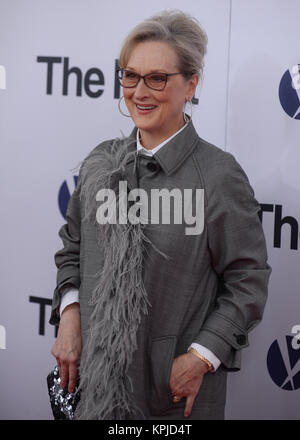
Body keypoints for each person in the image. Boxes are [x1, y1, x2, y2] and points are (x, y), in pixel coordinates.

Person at [49, 10, 271, 420]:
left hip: (170, 400)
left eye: (157, 78)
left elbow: (248, 281)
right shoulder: (100, 162)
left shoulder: (218, 176)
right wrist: (70, 315)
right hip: (95, 392)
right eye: (130, 76)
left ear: (191, 85)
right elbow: (71, 250)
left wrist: (201, 357)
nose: (139, 91)